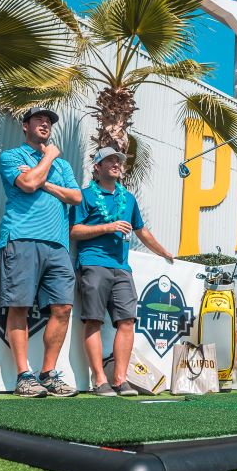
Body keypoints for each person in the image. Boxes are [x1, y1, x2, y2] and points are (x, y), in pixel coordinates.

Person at [70, 147, 175, 396]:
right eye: (110, 160)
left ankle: (119, 378)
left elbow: (142, 231)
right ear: (97, 167)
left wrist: (164, 253)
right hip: (93, 263)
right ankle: (99, 380)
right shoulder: (85, 196)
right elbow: (74, 231)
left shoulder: (128, 198)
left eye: (118, 160)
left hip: (121, 268)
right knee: (93, 320)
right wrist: (107, 227)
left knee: (127, 321)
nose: (116, 164)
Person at [0, 106, 84, 397]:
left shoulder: (64, 166)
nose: (45, 124)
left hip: (57, 244)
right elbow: (27, 183)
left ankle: (47, 374)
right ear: (25, 126)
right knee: (19, 305)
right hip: (21, 238)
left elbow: (75, 196)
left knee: (63, 308)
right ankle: (24, 375)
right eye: (39, 119)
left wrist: (45, 181)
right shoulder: (12, 156)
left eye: (48, 121)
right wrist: (48, 157)